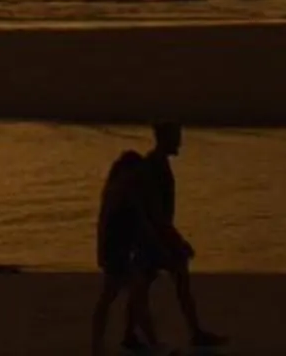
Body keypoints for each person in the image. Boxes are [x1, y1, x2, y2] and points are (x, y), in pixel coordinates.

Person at [90, 123, 223, 353]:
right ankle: (154, 340)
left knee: (134, 290)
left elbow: (148, 214)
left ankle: (133, 338)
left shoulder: (147, 170)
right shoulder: (148, 170)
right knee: (135, 290)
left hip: (139, 241)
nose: (180, 141)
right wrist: (172, 242)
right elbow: (151, 214)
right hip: (144, 241)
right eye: (176, 136)